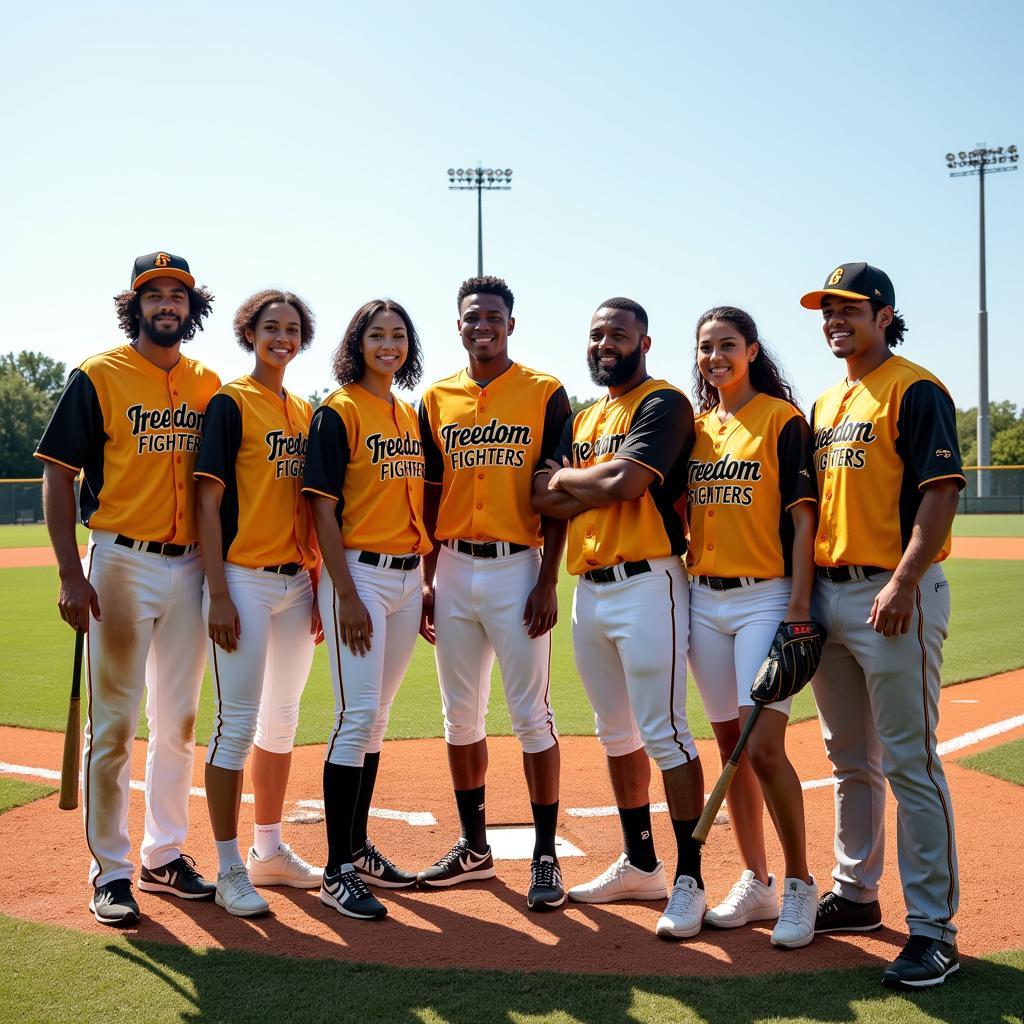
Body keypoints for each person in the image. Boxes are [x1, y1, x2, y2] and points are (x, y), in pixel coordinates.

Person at [36, 252, 220, 926]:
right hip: (122, 562)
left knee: (178, 721)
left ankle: (164, 855)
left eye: (177, 295)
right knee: (112, 726)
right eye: (155, 295)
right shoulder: (98, 374)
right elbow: (56, 475)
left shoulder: (208, 383)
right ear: (134, 303)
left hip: (193, 565)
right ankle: (110, 872)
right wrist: (68, 572)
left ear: (191, 307)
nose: (166, 304)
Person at [801, 262, 963, 988]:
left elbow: (940, 493)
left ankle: (933, 929)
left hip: (892, 592)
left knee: (910, 760)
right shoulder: (827, 401)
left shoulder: (914, 386)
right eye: (827, 310)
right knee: (848, 759)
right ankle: (857, 894)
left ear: (885, 314)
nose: (836, 319)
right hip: (832, 596)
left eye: (849, 309)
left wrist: (902, 580)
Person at [532, 297, 706, 940]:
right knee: (615, 734)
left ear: (644, 343)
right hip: (590, 588)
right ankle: (641, 863)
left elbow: (626, 486)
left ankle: (690, 877)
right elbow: (536, 496)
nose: (606, 343)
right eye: (598, 334)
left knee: (664, 732)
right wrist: (586, 482)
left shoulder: (663, 403)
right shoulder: (587, 416)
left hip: (647, 581)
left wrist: (572, 480)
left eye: (619, 334)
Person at [416, 275, 571, 912]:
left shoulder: (544, 392)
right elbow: (426, 489)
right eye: (472, 316)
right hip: (452, 565)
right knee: (460, 716)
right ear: (458, 325)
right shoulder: (435, 397)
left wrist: (546, 577)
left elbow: (557, 491)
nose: (483, 324)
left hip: (517, 566)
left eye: (494, 316)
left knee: (532, 716)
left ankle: (544, 856)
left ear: (512, 323)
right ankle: (474, 846)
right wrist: (428, 576)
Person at [685, 306, 818, 948]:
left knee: (763, 750)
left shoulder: (780, 419)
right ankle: (756, 878)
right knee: (729, 750)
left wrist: (797, 612)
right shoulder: (700, 428)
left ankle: (799, 885)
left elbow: (802, 523)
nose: (716, 358)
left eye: (727, 346)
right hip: (702, 598)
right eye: (706, 347)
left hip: (764, 598)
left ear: (753, 349)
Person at [194, 289, 322, 917]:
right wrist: (217, 591)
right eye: (271, 327)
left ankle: (268, 849)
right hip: (242, 579)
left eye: (293, 328)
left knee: (282, 720)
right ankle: (226, 865)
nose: (283, 337)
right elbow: (207, 504)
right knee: (236, 725)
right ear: (250, 333)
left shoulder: (302, 409)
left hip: (296, 582)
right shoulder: (230, 401)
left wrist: (320, 584)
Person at [302, 299, 430, 920]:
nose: (389, 345)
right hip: (359, 576)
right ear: (358, 343)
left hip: (406, 578)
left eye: (398, 335)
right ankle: (335, 871)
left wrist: (425, 580)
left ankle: (356, 848)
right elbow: (321, 506)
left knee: (376, 717)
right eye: (376, 335)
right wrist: (343, 592)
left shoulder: (405, 411)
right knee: (355, 717)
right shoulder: (340, 409)